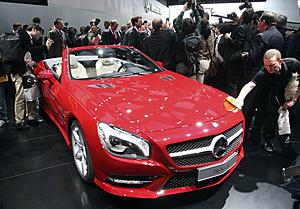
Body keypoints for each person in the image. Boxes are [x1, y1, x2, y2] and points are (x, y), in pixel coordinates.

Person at [235, 49, 300, 152]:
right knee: (271, 115)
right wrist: (240, 99)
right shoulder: (265, 70)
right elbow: (250, 85)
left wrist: (293, 100)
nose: (269, 68)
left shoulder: (293, 64)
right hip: (274, 93)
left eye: (272, 65)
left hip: (289, 91)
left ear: (280, 61)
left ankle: (284, 137)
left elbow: (299, 81)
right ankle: (268, 140)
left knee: (292, 118)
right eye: (266, 65)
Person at [11, 24, 53, 130]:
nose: (38, 37)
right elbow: (31, 49)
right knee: (20, 96)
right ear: (34, 29)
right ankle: (19, 121)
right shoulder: (23, 34)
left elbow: (28, 51)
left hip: (25, 70)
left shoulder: (24, 37)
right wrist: (45, 47)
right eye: (39, 35)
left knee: (31, 93)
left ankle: (31, 117)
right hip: (19, 71)